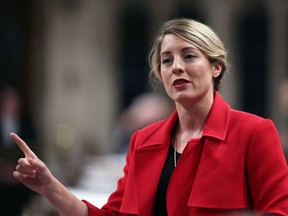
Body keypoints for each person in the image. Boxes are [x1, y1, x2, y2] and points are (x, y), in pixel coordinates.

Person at [10, 18, 288, 215]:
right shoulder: (143, 141)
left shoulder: (254, 132)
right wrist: (50, 188)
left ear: (216, 67)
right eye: (167, 61)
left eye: (189, 56)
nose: (176, 67)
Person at [0, 87, 36, 215]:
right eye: (7, 101)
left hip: (19, 180)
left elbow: (33, 151)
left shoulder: (27, 125)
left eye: (13, 101)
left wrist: (15, 169)